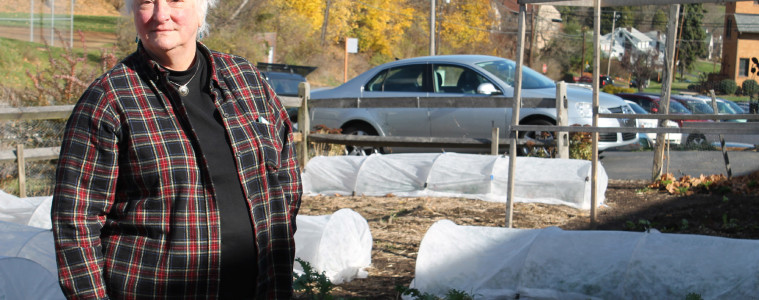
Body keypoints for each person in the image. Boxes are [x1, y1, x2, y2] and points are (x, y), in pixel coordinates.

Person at [51, 0, 301, 298]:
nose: (160, 15)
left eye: (174, 1)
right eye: (146, 3)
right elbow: (75, 220)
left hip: (262, 286)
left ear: (200, 11)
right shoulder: (109, 100)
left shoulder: (247, 81)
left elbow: (286, 178)